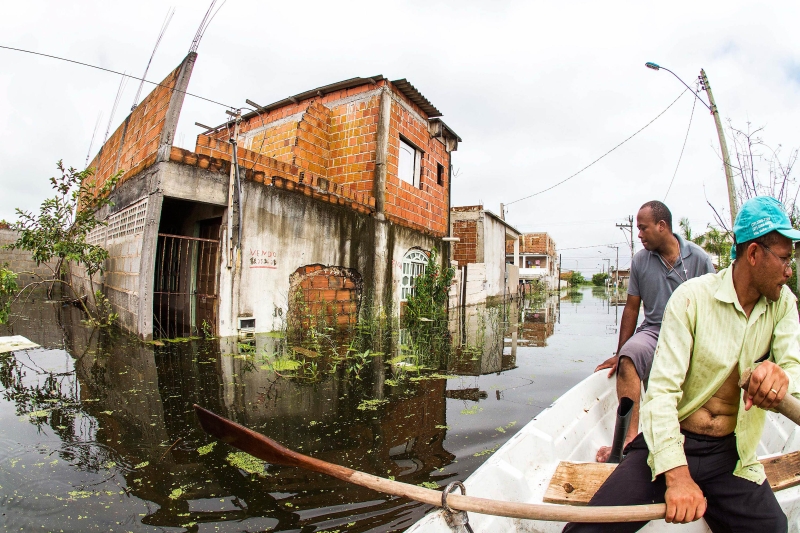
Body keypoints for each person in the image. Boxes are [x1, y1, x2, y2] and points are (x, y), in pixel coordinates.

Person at [563, 196, 800, 532]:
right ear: (754, 254)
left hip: (730, 455)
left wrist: (781, 377)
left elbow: (795, 370)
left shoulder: (783, 303)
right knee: (583, 530)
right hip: (671, 439)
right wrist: (677, 475)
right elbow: (660, 394)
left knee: (774, 528)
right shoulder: (691, 299)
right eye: (785, 258)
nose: (789, 270)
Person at [595, 201, 714, 462]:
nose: (639, 235)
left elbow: (714, 309)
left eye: (643, 228)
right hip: (654, 331)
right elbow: (631, 308)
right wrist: (619, 352)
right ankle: (630, 438)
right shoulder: (640, 261)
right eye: (637, 229)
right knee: (629, 358)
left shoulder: (699, 259)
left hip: (691, 333)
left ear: (662, 226)